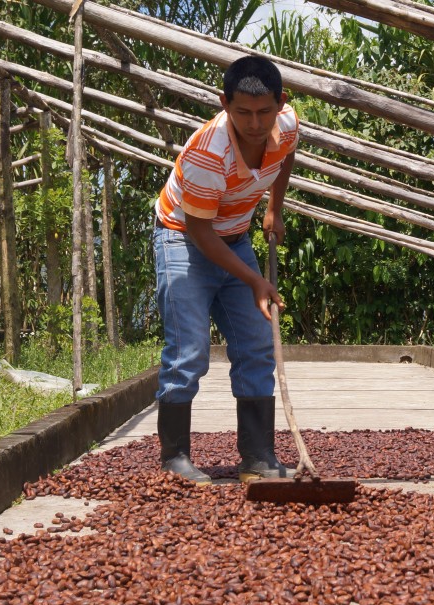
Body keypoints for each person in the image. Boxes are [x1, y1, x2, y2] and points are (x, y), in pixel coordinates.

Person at [153, 55, 298, 484]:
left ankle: (257, 456)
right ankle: (175, 457)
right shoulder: (207, 152)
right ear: (224, 103)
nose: (254, 124)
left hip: (234, 236)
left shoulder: (286, 124)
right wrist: (254, 279)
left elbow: (285, 155)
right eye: (242, 113)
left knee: (256, 343)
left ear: (280, 103)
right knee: (189, 350)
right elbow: (199, 230)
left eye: (263, 112)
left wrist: (274, 207)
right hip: (182, 236)